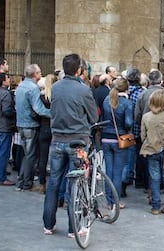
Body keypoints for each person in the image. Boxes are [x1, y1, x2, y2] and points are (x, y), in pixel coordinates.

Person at [42, 53, 98, 237]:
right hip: (78, 141)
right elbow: (93, 117)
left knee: (54, 183)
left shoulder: (55, 88)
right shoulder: (83, 90)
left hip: (57, 139)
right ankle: (73, 228)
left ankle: (48, 224)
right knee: (75, 184)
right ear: (79, 70)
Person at [140, 89, 164, 216]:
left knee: (154, 179)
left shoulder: (146, 117)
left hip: (151, 150)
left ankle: (155, 206)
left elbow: (142, 135)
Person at [15, 64, 50, 191]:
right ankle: (25, 182)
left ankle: (22, 181)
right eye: (39, 72)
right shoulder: (33, 88)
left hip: (20, 123)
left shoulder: (21, 86)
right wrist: (53, 114)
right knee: (30, 155)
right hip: (30, 124)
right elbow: (38, 108)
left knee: (27, 154)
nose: (41, 74)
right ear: (35, 74)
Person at [101, 77, 133, 209]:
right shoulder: (126, 103)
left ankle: (108, 201)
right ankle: (115, 201)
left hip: (105, 138)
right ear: (126, 88)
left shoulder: (106, 100)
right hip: (119, 139)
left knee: (108, 171)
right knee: (117, 172)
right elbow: (129, 122)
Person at [0, 73, 16, 185]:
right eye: (7, 78)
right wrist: (14, 112)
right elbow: (6, 111)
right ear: (3, 81)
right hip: (4, 126)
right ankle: (1, 177)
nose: (9, 80)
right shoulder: (6, 94)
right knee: (3, 153)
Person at [37, 74, 58, 194]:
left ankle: (42, 184)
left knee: (43, 157)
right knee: (56, 158)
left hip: (44, 127)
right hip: (55, 128)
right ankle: (54, 184)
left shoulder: (41, 96)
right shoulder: (57, 96)